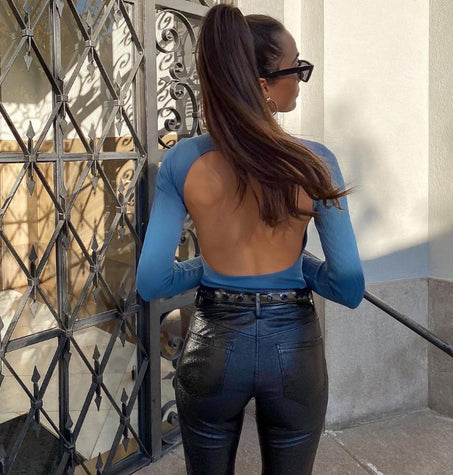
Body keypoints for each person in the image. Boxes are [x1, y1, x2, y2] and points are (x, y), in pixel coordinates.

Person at [137, 4, 364, 474]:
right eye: (296, 68)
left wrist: (208, 264)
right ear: (263, 84)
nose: (300, 79)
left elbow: (152, 281)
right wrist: (299, 264)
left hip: (214, 344)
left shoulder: (182, 161)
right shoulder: (315, 162)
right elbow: (348, 286)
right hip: (293, 348)